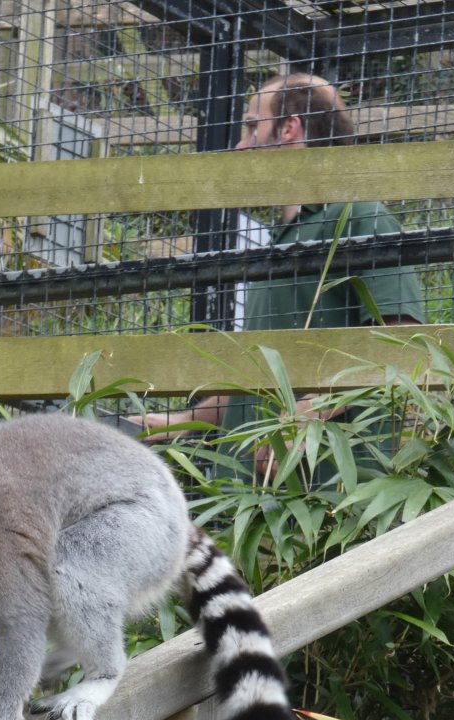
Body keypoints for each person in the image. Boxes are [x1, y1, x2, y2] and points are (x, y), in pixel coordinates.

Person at [142, 72, 425, 478]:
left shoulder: (360, 215)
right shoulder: (274, 245)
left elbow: (401, 344)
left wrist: (307, 414)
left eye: (252, 126)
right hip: (247, 505)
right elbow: (255, 380)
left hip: (332, 498)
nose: (240, 145)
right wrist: (182, 421)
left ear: (288, 128)